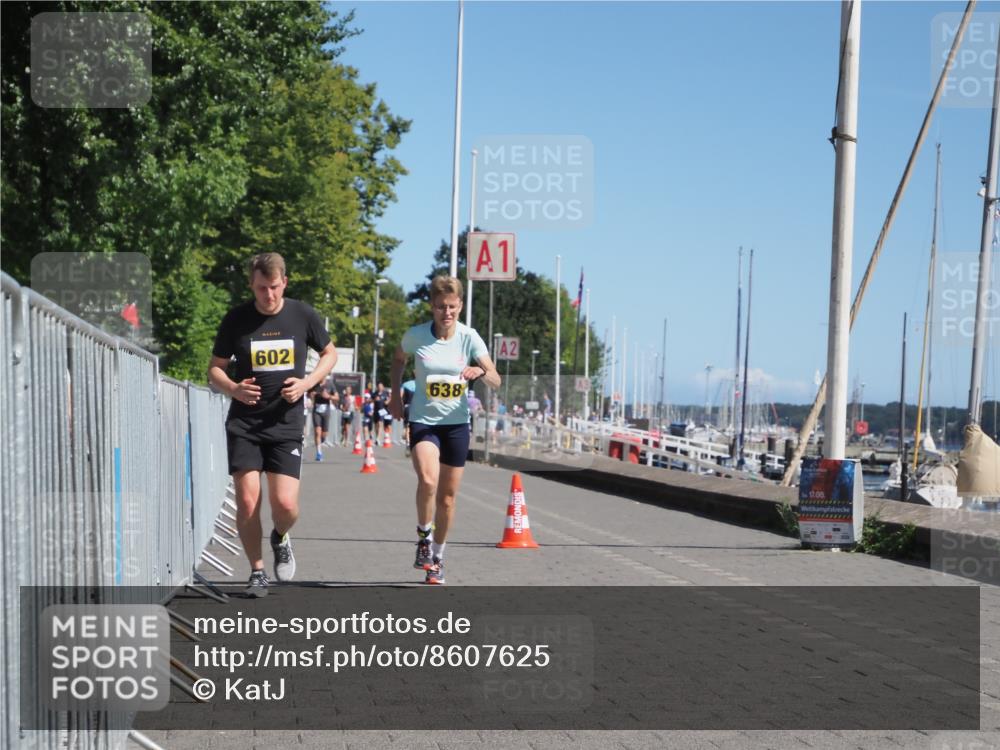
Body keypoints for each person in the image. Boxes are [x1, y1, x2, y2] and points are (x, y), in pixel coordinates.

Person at [208, 252, 337, 597]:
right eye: (262, 288)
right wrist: (233, 388)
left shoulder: (302, 315)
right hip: (245, 423)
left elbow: (330, 354)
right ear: (252, 284)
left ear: (285, 283)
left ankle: (280, 536)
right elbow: (215, 369)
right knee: (248, 501)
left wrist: (307, 383)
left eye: (275, 287)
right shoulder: (236, 319)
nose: (269, 295)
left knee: (285, 505)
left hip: (285, 421)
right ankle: (257, 571)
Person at [390, 275, 500, 585]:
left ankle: (437, 557)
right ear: (432, 307)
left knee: (448, 499)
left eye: (452, 307)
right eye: (440, 307)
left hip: (456, 425)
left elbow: (496, 378)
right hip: (424, 420)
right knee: (428, 479)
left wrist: (481, 370)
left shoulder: (469, 338)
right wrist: (395, 395)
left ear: (460, 306)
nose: (446, 313)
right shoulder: (416, 336)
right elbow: (398, 359)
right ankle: (424, 537)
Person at [310, 377, 336, 461]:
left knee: (324, 434)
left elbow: (337, 397)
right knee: (317, 432)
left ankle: (320, 442)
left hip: (326, 410)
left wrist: (328, 396)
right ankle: (319, 453)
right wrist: (312, 395)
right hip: (316, 410)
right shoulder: (314, 384)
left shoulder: (330, 384)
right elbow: (309, 394)